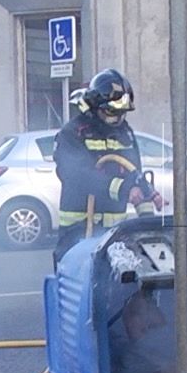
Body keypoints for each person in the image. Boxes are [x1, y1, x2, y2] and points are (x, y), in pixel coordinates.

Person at [52, 68, 151, 267]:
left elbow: (134, 174)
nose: (118, 119)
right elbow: (77, 176)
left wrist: (147, 215)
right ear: (95, 105)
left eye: (122, 113)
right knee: (77, 284)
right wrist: (123, 189)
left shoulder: (125, 134)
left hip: (115, 234)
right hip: (78, 231)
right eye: (112, 112)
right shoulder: (73, 133)